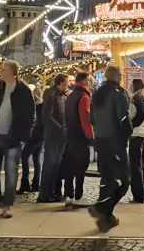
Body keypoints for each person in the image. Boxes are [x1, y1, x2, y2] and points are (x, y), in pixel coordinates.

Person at [0, 60, 35, 218]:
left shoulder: (23, 90)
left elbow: (30, 115)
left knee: (11, 172)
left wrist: (25, 135)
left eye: (3, 69)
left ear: (12, 72)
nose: (0, 72)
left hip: (13, 138)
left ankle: (8, 204)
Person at [88, 65, 132, 232]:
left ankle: (106, 218)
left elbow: (91, 118)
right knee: (124, 179)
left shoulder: (97, 94)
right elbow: (123, 118)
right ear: (116, 76)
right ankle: (103, 208)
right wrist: (127, 134)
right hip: (115, 142)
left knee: (107, 179)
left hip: (101, 141)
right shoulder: (119, 94)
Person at [38, 74, 71, 202]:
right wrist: (61, 128)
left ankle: (51, 193)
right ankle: (45, 194)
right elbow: (47, 116)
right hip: (53, 136)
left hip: (60, 136)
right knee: (49, 165)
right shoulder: (51, 94)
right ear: (61, 82)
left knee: (55, 166)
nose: (68, 84)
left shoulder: (60, 95)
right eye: (66, 82)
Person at [65, 71, 94, 206]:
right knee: (81, 166)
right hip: (80, 136)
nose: (89, 83)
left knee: (70, 166)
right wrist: (90, 136)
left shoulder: (71, 96)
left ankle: (69, 195)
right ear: (83, 81)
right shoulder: (84, 97)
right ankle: (78, 196)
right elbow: (85, 118)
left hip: (70, 135)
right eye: (88, 80)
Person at [129, 78, 144, 203]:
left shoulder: (136, 99)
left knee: (135, 166)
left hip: (136, 135)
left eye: (131, 84)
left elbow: (136, 115)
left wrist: (130, 126)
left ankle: (138, 195)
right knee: (141, 165)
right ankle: (142, 194)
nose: (130, 86)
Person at [18, 85, 44, 194]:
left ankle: (25, 182)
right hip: (41, 135)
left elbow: (31, 121)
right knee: (36, 158)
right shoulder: (43, 105)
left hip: (33, 135)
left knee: (24, 156)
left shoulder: (31, 106)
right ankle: (36, 183)